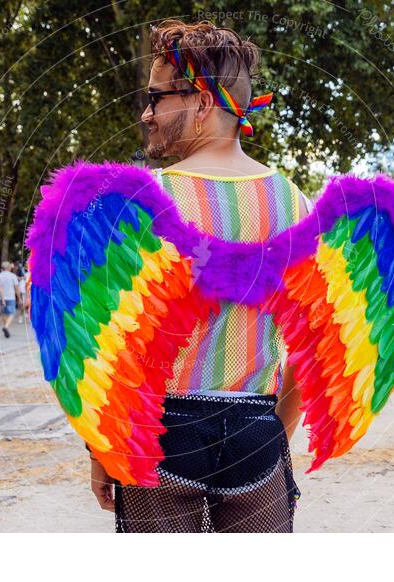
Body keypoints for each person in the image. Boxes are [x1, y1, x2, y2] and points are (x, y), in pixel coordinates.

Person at [84, 20, 312, 532]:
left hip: (157, 434)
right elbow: (309, 344)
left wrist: (103, 447)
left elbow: (109, 343)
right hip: (257, 433)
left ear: (203, 103)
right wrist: (277, 431)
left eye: (157, 97)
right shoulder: (293, 203)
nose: (147, 113)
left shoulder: (144, 199)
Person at [0, 261, 19, 338]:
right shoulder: (13, 276)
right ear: (8, 268)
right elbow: (16, 287)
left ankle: (6, 327)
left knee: (4, 313)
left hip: (1, 297)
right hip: (11, 297)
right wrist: (19, 297)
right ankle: (6, 327)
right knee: (12, 313)